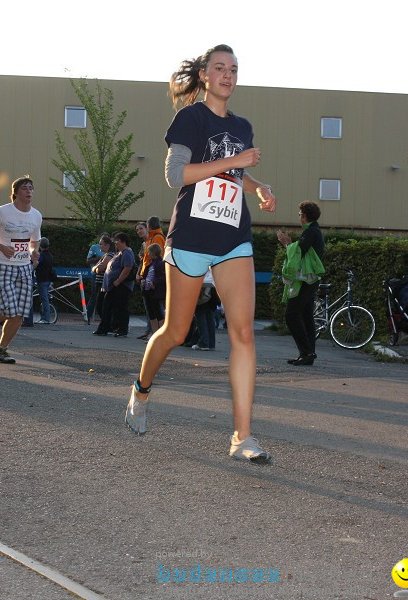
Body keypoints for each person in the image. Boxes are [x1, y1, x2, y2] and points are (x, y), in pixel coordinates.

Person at [125, 44, 277, 463]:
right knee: (175, 331)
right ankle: (141, 388)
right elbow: (178, 175)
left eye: (234, 69)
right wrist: (236, 159)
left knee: (243, 333)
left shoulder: (243, 125)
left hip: (232, 238)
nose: (227, 75)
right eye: (219, 68)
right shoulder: (190, 118)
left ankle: (242, 436)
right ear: (205, 76)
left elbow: (233, 171)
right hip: (191, 237)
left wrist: (257, 185)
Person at [0, 176, 42, 364]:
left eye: (31, 188)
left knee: (19, 314)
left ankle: (1, 350)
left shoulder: (36, 215)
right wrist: (1, 247)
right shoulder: (2, 212)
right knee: (8, 308)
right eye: (25, 188)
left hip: (24, 266)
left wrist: (34, 251)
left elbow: (35, 241)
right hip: (3, 263)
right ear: (16, 193)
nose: (29, 191)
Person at [277, 201, 326, 366]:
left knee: (291, 315)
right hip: (311, 280)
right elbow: (301, 251)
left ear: (304, 216)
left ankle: (307, 352)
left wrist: (286, 244)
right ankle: (308, 354)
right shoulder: (314, 231)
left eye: (299, 214)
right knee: (306, 316)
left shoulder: (311, 232)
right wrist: (291, 245)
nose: (299, 217)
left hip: (306, 280)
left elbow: (298, 252)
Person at [93, 232, 135, 337]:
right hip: (114, 286)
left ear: (123, 242)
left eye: (117, 242)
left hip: (121, 285)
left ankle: (122, 330)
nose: (115, 244)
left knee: (121, 307)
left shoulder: (127, 252)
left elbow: (128, 267)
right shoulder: (120, 252)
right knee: (107, 306)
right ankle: (104, 328)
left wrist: (119, 280)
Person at [136, 217, 166, 340]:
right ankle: (153, 333)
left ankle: (159, 334)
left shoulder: (157, 237)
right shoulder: (151, 238)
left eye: (143, 227)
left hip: (153, 277)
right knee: (150, 309)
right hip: (147, 275)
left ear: (149, 226)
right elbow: (144, 259)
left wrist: (151, 280)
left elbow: (157, 256)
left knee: (157, 309)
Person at [141, 243, 166, 336]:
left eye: (149, 252)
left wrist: (154, 283)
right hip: (148, 291)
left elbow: (164, 277)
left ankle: (160, 335)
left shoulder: (160, 263)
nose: (148, 254)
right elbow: (147, 275)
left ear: (153, 252)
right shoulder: (151, 264)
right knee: (151, 313)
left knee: (158, 313)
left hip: (155, 292)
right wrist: (143, 280)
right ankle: (154, 335)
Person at [89, 235, 115, 325]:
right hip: (99, 283)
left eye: (101, 244)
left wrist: (96, 267)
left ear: (107, 245)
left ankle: (109, 324)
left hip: (103, 284)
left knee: (101, 305)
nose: (99, 246)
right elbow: (95, 268)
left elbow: (98, 269)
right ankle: (107, 324)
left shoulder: (109, 256)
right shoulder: (104, 256)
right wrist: (96, 267)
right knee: (100, 305)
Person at [85, 232, 108, 322]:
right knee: (94, 295)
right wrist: (100, 258)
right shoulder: (94, 247)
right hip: (96, 274)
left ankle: (105, 317)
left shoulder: (111, 250)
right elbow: (88, 260)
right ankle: (88, 315)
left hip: (107, 275)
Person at [192, 271, 218, 351]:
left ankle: (204, 343)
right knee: (209, 316)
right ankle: (210, 343)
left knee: (200, 316)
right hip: (213, 289)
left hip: (203, 288)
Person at [34, 237, 55, 324]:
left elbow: (36, 263)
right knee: (45, 298)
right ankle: (45, 317)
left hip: (42, 279)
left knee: (44, 299)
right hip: (49, 279)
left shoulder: (41, 256)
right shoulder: (50, 255)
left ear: (40, 246)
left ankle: (46, 318)